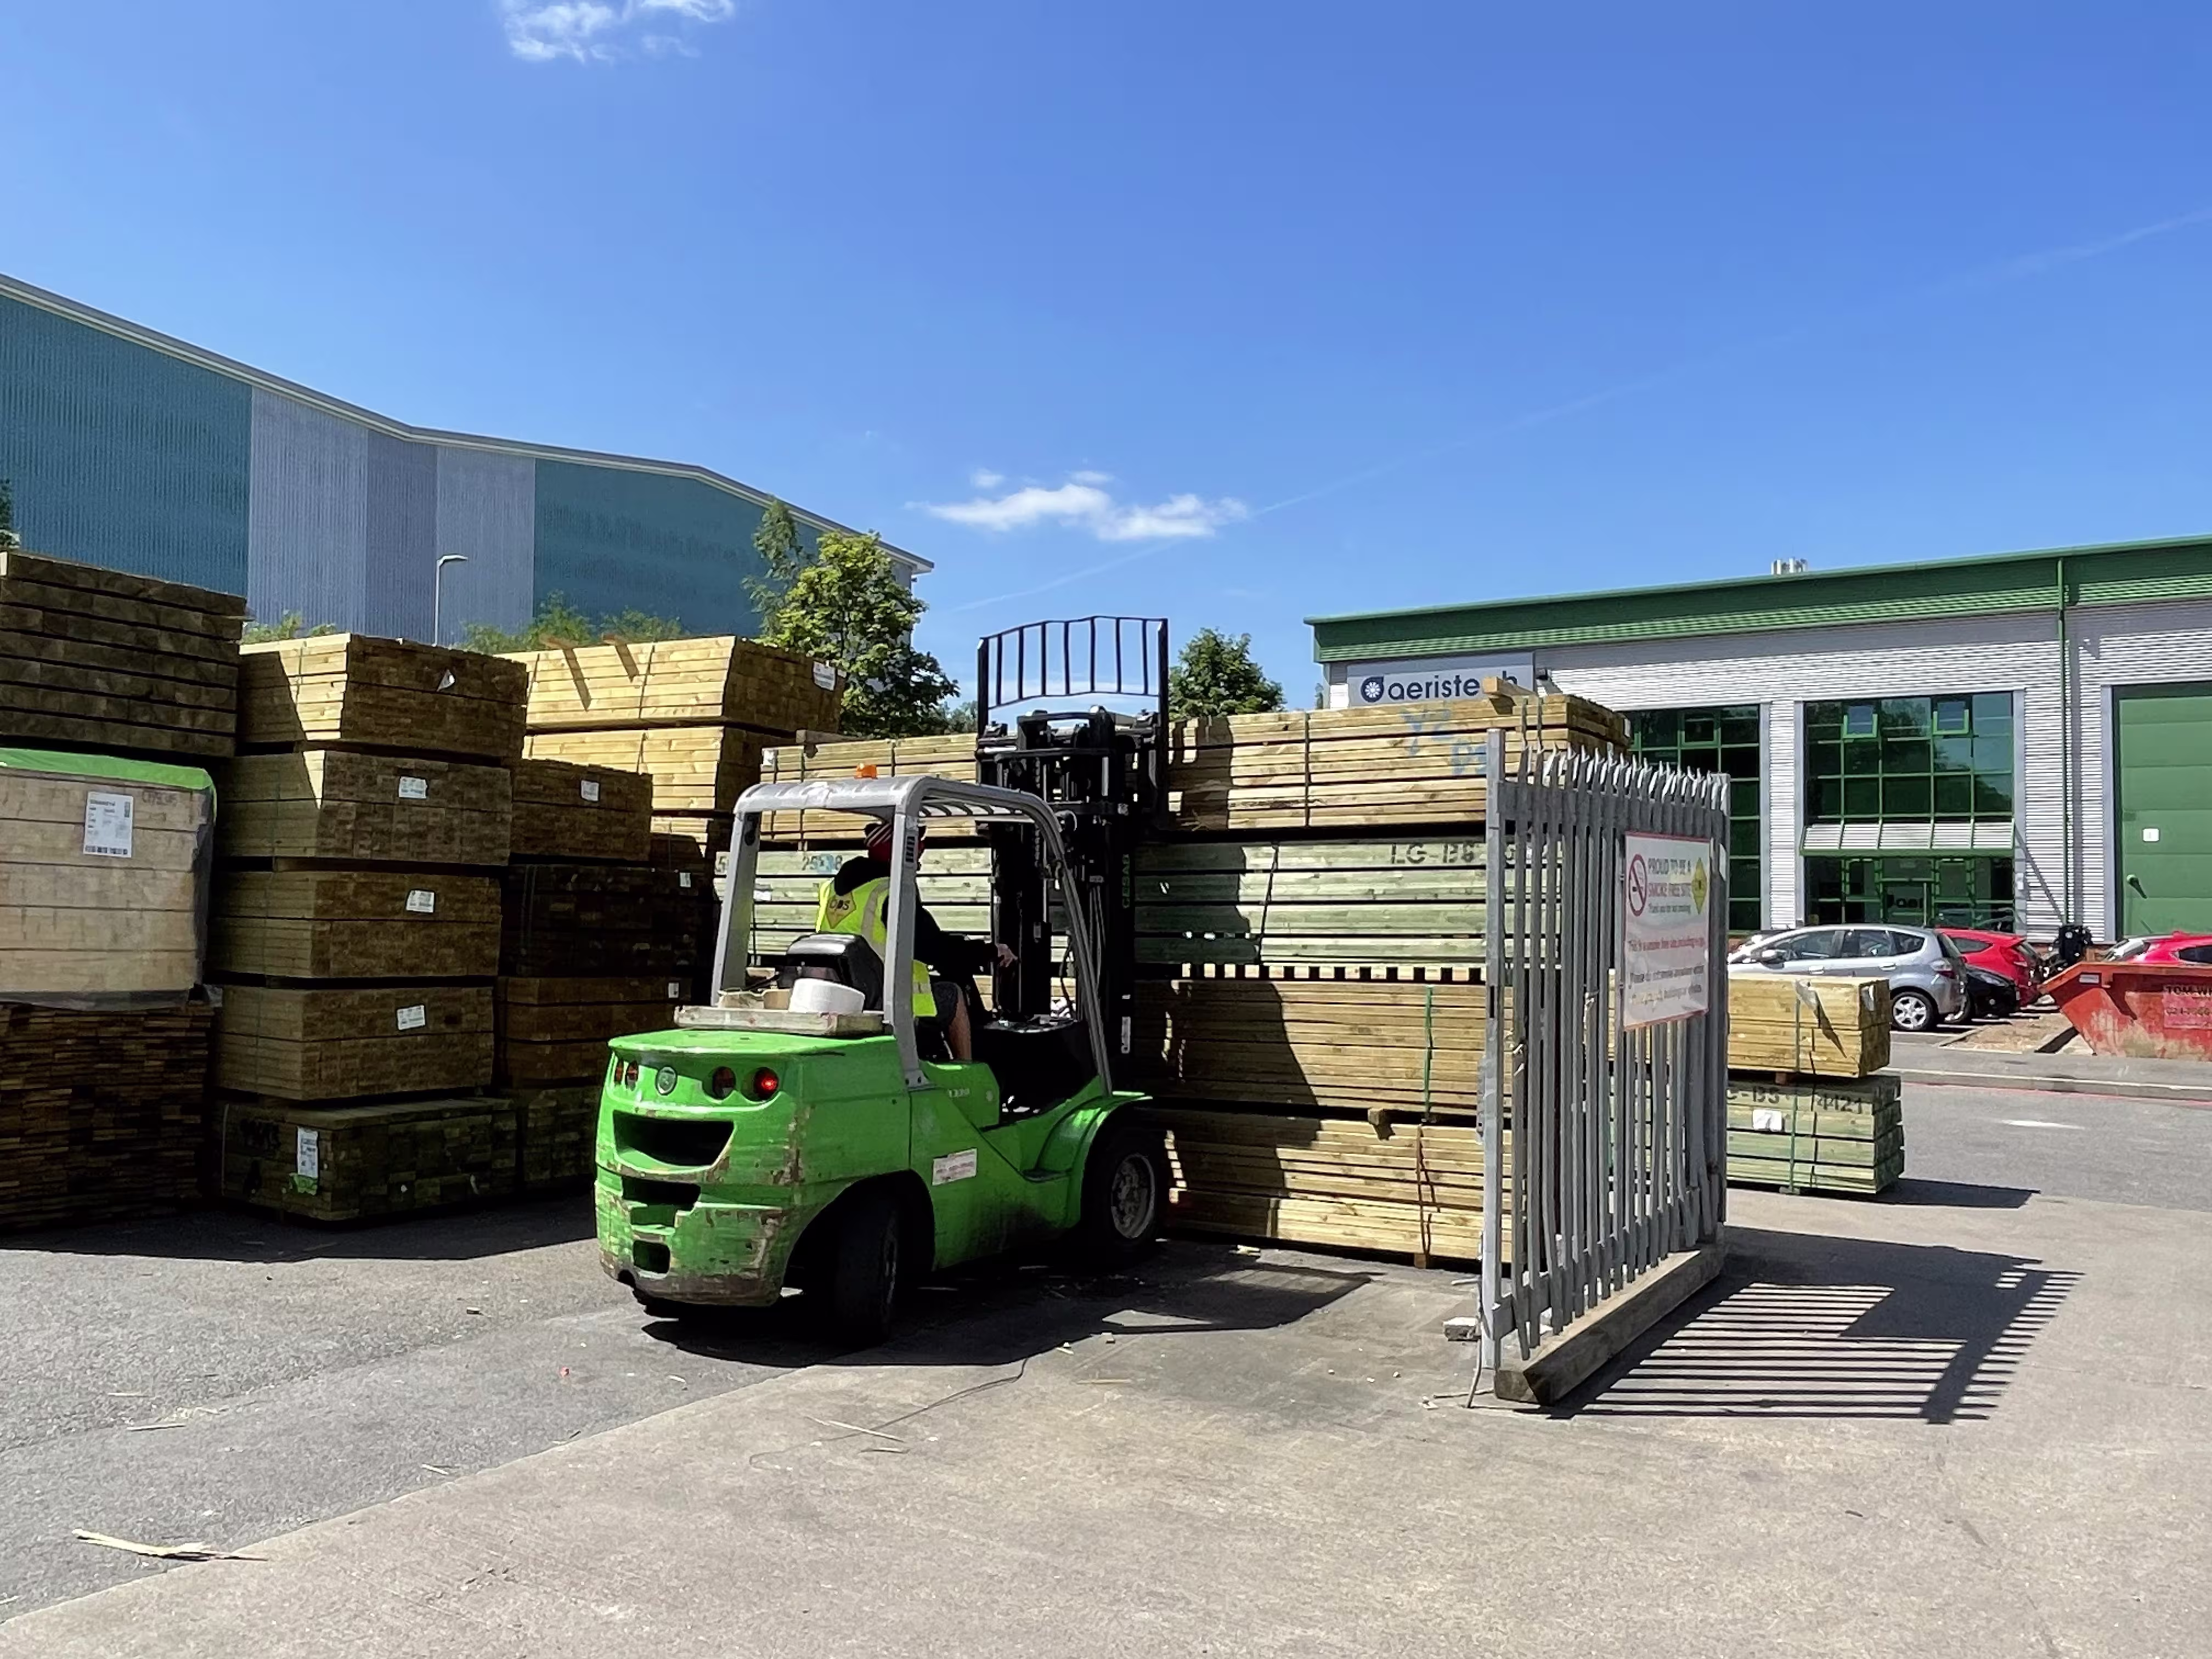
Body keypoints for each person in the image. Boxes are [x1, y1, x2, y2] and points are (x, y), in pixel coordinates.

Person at [814, 821, 1014, 1062]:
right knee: (953, 994)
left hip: (849, 992)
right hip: (889, 1000)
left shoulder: (833, 890)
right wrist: (990, 951)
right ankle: (969, 1071)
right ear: (900, 852)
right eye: (918, 849)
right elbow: (935, 949)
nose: (920, 856)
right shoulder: (890, 893)